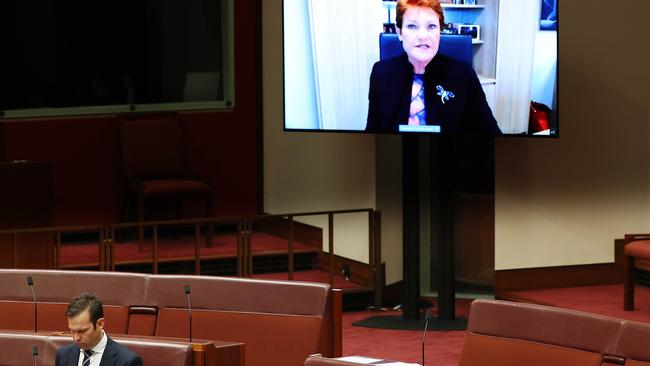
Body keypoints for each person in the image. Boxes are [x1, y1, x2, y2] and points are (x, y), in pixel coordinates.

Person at [366, 0, 501, 135]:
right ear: (400, 32)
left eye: (431, 26)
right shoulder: (381, 73)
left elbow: (491, 133)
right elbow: (373, 136)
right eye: (412, 26)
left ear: (440, 31)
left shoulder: (463, 75)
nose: (423, 36)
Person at [55, 293, 142, 366]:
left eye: (82, 331)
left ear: (100, 324)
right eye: (72, 331)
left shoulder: (127, 361)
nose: (76, 338)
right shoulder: (63, 355)